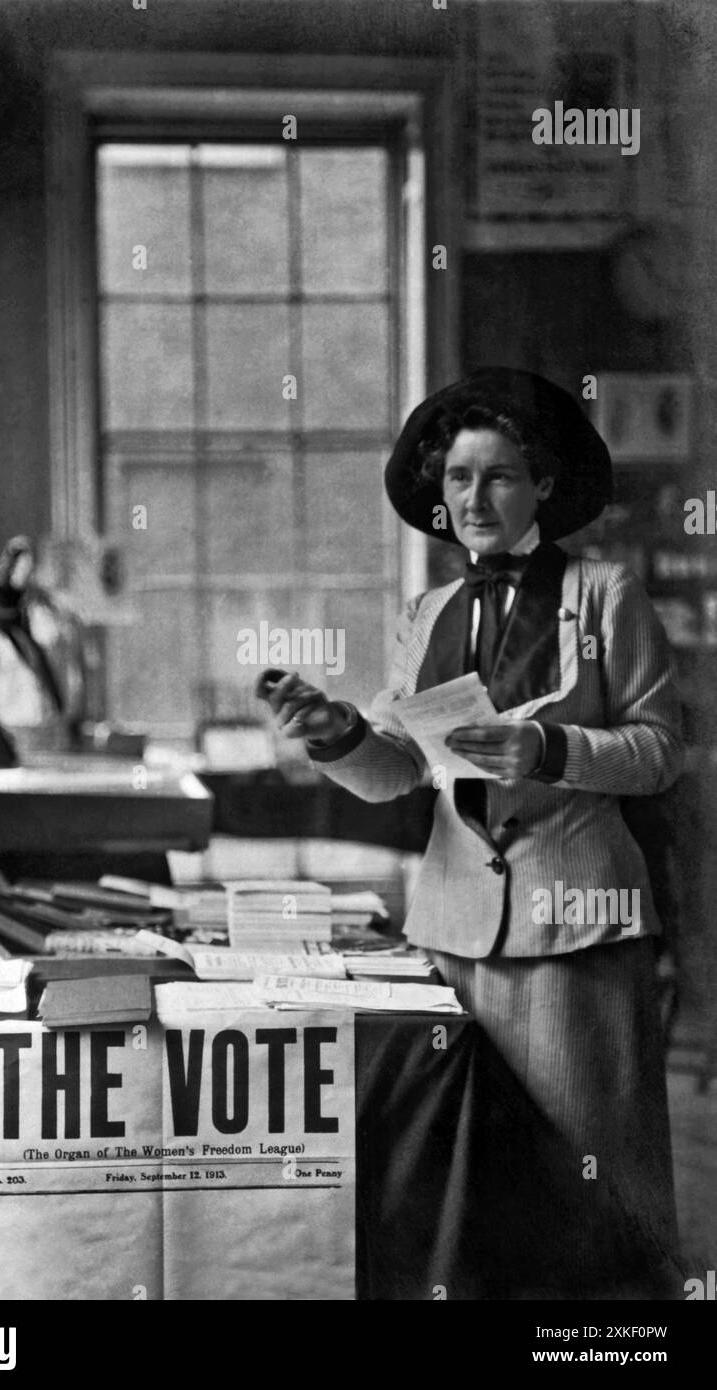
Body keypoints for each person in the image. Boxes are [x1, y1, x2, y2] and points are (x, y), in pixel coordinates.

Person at [259, 367, 685, 1299]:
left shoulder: (604, 594)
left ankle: (610, 1349)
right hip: (451, 933)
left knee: (590, 1175)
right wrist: (335, 733)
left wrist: (546, 746)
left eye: (498, 476)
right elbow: (396, 770)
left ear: (541, 485)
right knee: (467, 1180)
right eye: (458, 479)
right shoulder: (429, 614)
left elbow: (659, 752)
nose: (475, 498)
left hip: (576, 922)